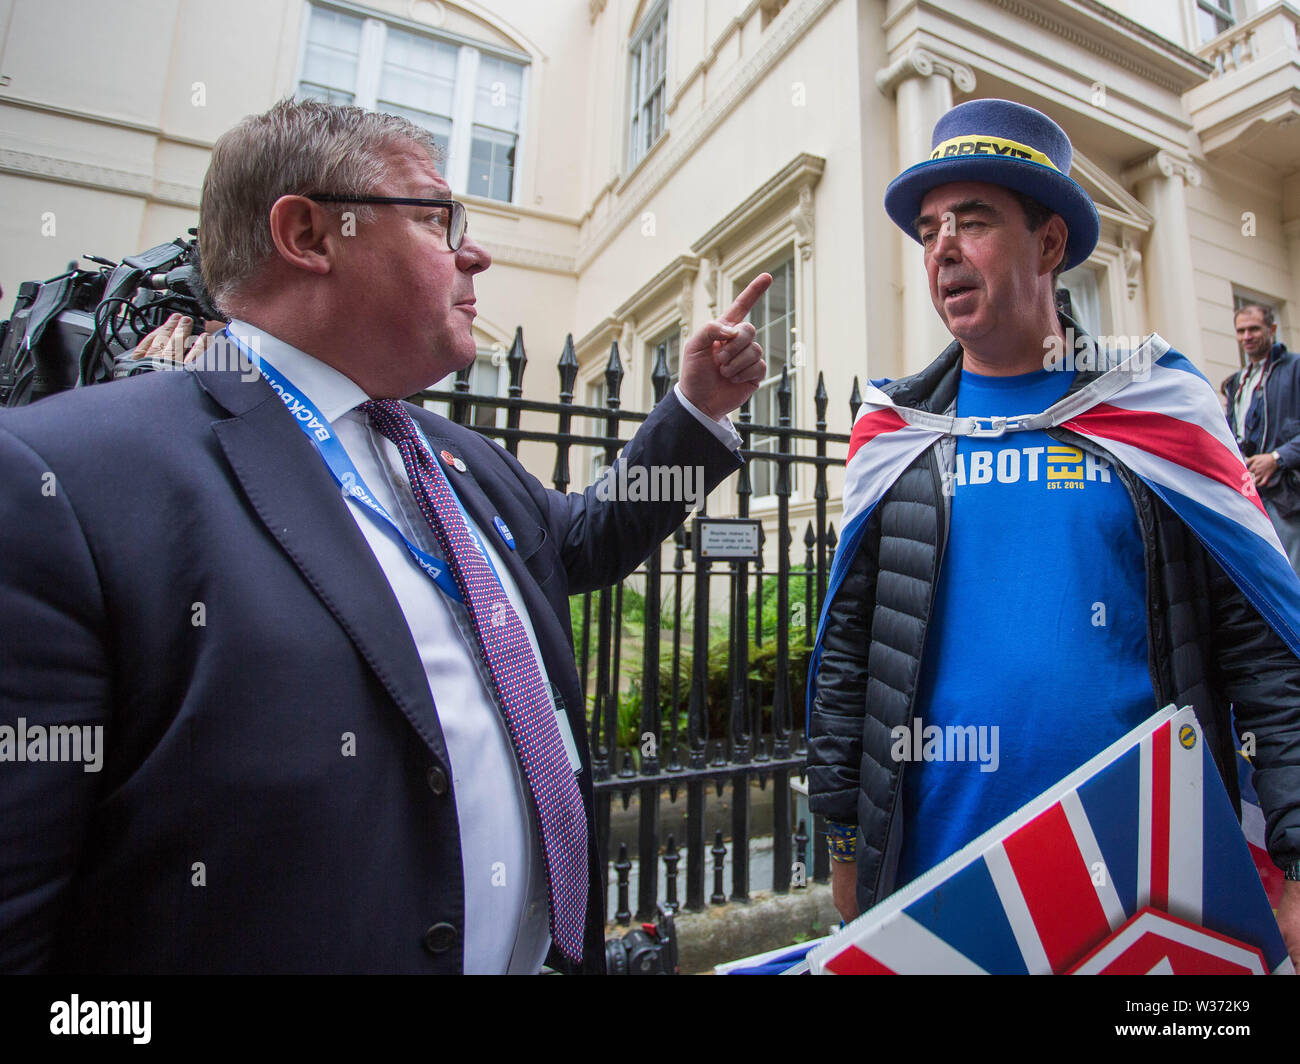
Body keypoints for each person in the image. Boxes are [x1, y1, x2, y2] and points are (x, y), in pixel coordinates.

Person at [0, 99, 770, 974]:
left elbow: (586, 538)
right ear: (310, 234)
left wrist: (697, 410)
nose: (475, 251)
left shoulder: (456, 458)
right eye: (440, 218)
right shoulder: (66, 477)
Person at [806, 98, 1300, 968]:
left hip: (1145, 889)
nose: (943, 249)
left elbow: (1262, 650)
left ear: (1049, 244)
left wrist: (1297, 862)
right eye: (928, 231)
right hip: (937, 890)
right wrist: (844, 841)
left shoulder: (1162, 411)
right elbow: (850, 658)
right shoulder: (894, 436)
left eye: (974, 221)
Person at [1223, 303, 1300, 572]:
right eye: (1241, 331)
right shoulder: (1236, 382)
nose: (1247, 336)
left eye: (1254, 329)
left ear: (1272, 329)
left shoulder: (1296, 368)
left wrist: (1277, 458)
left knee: (1291, 576)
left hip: (1287, 495)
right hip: (1248, 495)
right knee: (1263, 576)